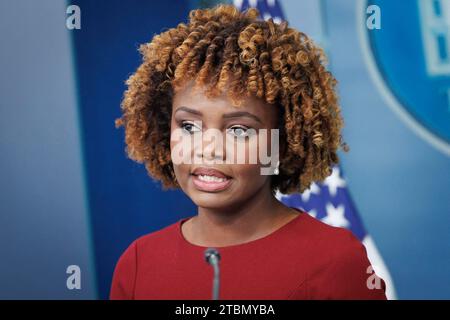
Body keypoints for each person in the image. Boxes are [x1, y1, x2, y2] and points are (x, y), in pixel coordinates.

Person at [111, 4, 387, 300]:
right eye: (189, 126)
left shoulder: (335, 259)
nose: (207, 149)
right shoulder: (139, 262)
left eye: (238, 131)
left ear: (281, 144)